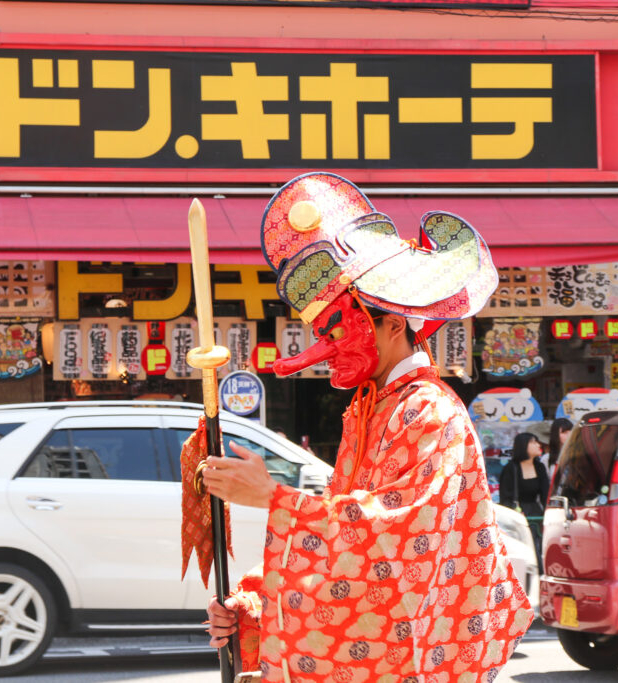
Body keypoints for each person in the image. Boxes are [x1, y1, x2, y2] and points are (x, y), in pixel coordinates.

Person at [198, 172, 533, 682]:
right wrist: (260, 607)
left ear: (393, 323)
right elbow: (351, 551)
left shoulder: (431, 412)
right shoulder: (372, 407)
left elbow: (397, 534)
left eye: (339, 329)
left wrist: (274, 498)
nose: (327, 347)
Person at [499, 432, 550, 570]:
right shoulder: (511, 468)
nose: (538, 445)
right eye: (533, 442)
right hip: (518, 513)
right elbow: (505, 496)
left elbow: (546, 494)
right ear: (523, 445)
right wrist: (514, 513)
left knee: (540, 545)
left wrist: (549, 513)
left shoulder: (539, 467)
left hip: (536, 512)